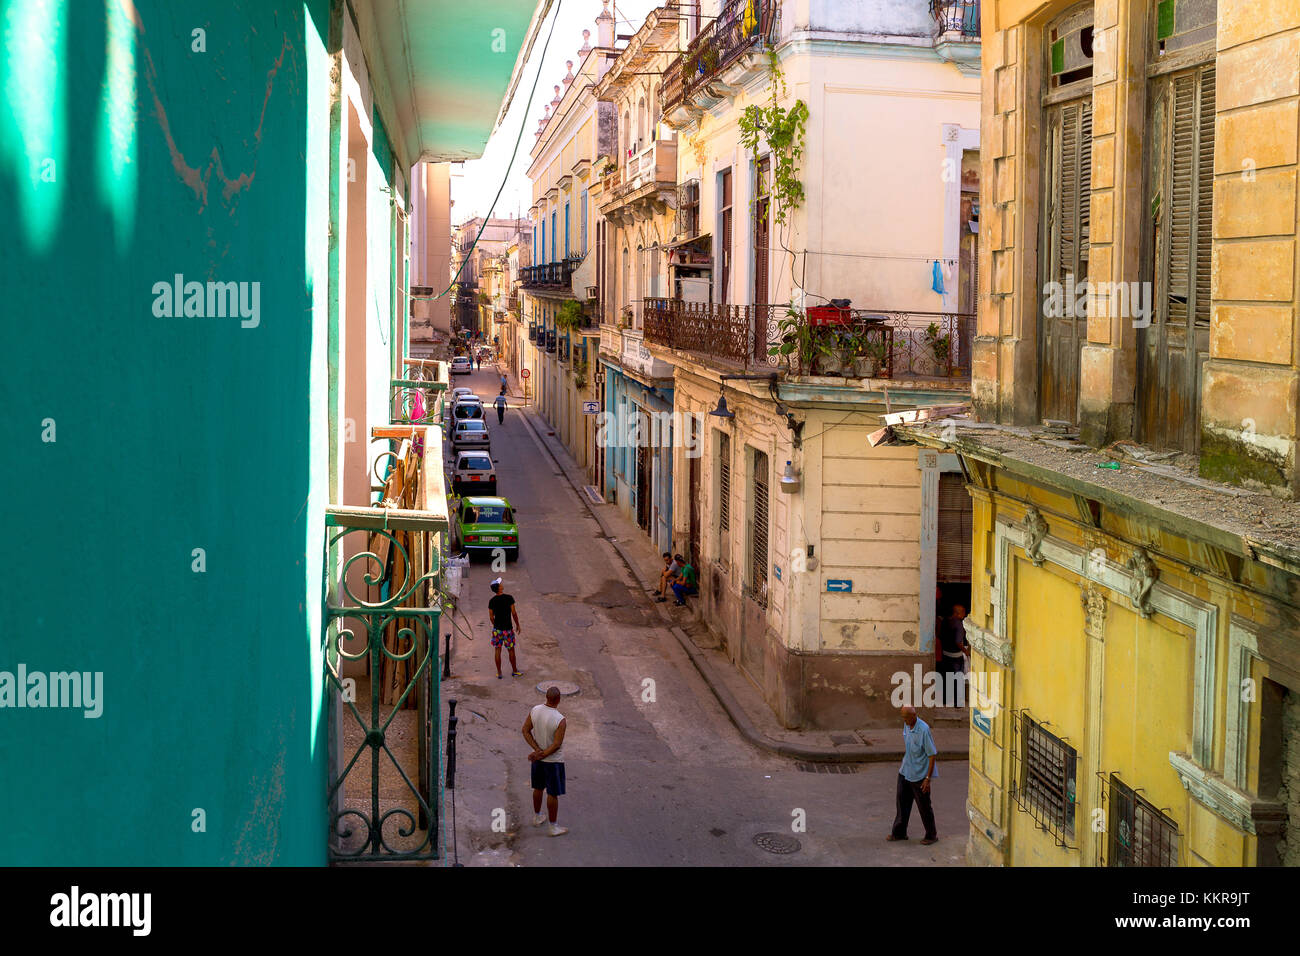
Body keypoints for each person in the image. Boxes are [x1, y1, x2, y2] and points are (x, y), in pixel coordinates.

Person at [888, 705, 938, 845]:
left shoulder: (924, 730)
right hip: (906, 771)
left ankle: (931, 835)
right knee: (902, 803)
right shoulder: (907, 725)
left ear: (914, 715)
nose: (904, 720)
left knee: (924, 806)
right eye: (902, 717)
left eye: (906, 717)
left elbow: (932, 755)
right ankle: (899, 833)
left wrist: (927, 779)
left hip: (920, 775)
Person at [523, 687, 568, 837]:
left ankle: (537, 817)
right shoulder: (560, 719)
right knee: (552, 793)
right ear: (558, 699)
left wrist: (537, 751)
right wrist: (542, 755)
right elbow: (556, 745)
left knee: (537, 788)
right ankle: (553, 826)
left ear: (547, 697)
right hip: (553, 762)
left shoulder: (535, 710)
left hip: (538, 758)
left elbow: (525, 730)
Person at [488, 578, 523, 679]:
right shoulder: (509, 598)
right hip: (508, 629)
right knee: (511, 650)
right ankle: (515, 671)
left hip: (497, 630)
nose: (502, 584)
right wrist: (517, 624)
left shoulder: (492, 601)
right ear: (499, 588)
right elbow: (514, 613)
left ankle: (499, 673)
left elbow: (491, 617)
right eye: (500, 584)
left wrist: (496, 625)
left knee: (497, 650)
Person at [936, 603, 969, 706]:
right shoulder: (958, 624)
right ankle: (958, 702)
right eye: (963, 612)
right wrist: (966, 651)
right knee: (958, 678)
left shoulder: (945, 621)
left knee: (947, 678)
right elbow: (958, 641)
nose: (965, 614)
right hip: (956, 657)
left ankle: (947, 700)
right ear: (957, 613)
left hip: (945, 654)